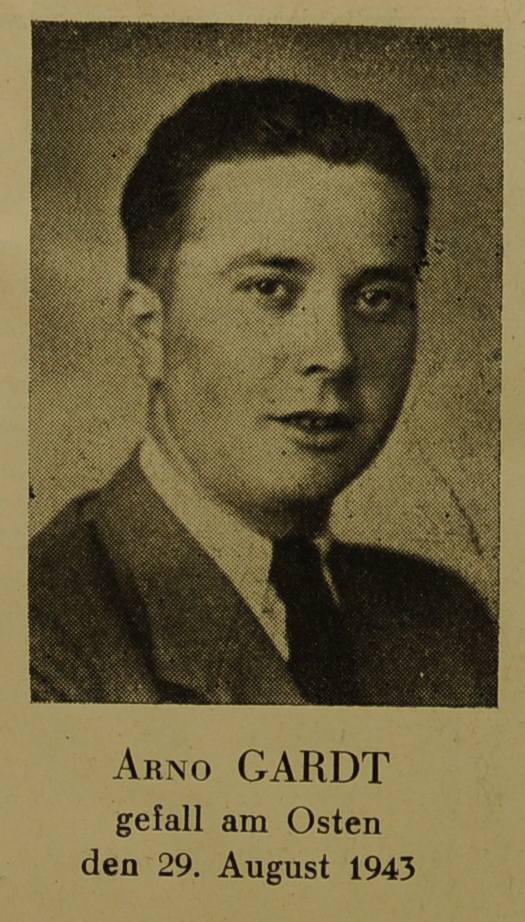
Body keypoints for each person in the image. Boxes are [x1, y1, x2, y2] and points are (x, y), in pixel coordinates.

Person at [29, 78, 498, 706]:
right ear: (150, 329)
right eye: (270, 289)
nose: (334, 353)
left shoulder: (448, 625)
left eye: (374, 298)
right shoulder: (39, 639)